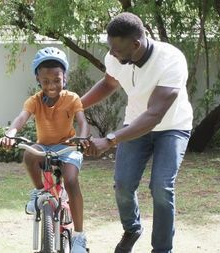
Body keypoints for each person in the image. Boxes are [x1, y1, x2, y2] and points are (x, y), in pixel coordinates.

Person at [81, 12, 193, 253]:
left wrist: (110, 140)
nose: (111, 54)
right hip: (134, 125)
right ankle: (132, 229)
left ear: (136, 44)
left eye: (117, 50)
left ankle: (162, 249)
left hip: (172, 127)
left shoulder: (171, 60)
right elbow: (109, 83)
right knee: (122, 184)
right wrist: (75, 107)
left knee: (161, 187)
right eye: (110, 48)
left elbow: (154, 115)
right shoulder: (117, 57)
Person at [0, 47, 90, 253]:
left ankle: (79, 237)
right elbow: (21, 118)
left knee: (71, 180)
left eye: (57, 80)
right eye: (46, 81)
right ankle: (39, 190)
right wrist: (11, 133)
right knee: (29, 152)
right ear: (38, 80)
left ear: (64, 77)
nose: (52, 86)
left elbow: (83, 122)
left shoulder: (72, 98)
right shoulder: (34, 101)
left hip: (67, 146)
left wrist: (82, 138)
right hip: (44, 145)